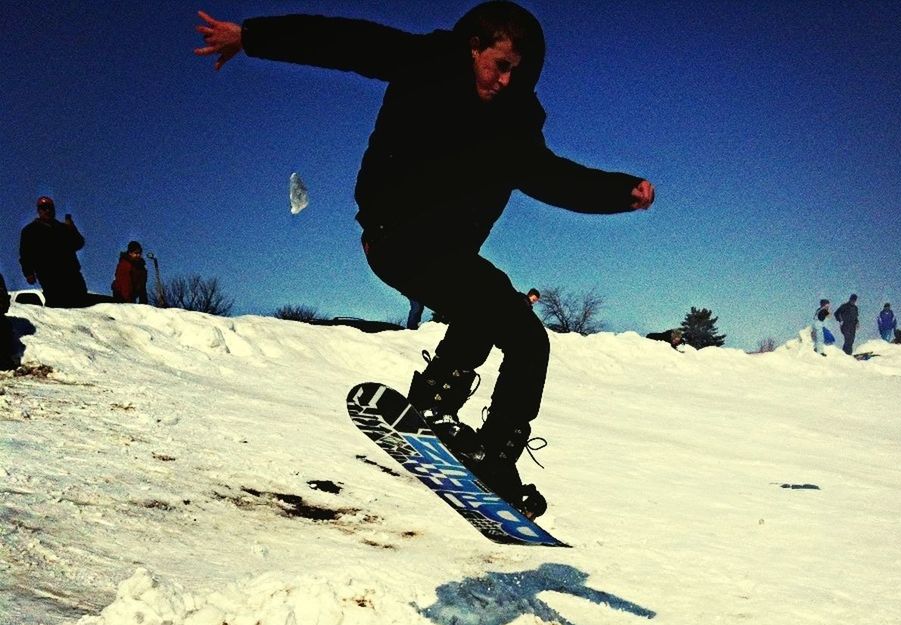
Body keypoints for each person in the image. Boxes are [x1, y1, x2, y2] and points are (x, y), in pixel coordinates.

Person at [195, 3, 655, 520]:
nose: (506, 81)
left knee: (517, 329)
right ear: (474, 47)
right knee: (492, 311)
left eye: (518, 74)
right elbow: (344, 41)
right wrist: (251, 36)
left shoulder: (515, 124)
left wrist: (618, 192)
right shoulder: (426, 64)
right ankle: (449, 416)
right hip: (395, 235)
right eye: (500, 65)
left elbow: (551, 176)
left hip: (449, 254)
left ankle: (483, 443)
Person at [19, 196, 89, 308]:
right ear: (39, 210)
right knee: (58, 308)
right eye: (44, 208)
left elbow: (78, 243)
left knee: (82, 307)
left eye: (50, 208)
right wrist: (28, 273)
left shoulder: (63, 228)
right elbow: (25, 254)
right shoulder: (30, 231)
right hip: (49, 276)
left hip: (72, 275)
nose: (47, 210)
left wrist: (73, 229)